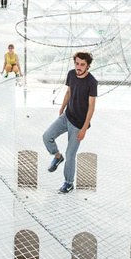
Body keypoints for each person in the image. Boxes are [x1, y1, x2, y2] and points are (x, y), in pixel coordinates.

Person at [43, 51, 98, 194]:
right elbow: (69, 92)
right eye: (77, 63)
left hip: (78, 124)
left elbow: (91, 107)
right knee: (46, 136)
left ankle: (68, 183)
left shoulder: (92, 82)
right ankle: (57, 156)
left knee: (71, 154)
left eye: (82, 65)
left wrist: (84, 129)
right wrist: (62, 107)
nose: (78, 67)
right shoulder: (71, 74)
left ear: (88, 66)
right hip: (67, 115)